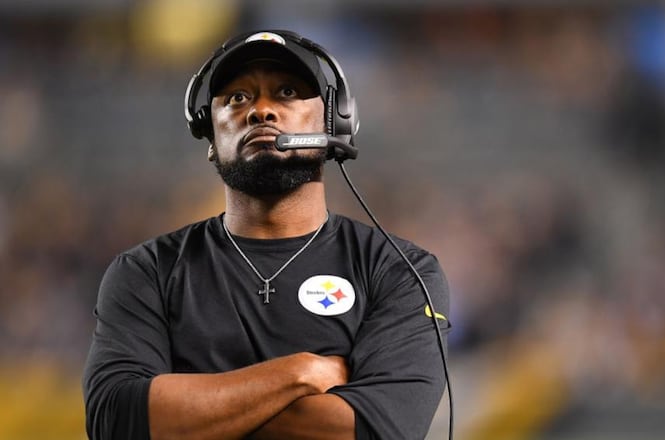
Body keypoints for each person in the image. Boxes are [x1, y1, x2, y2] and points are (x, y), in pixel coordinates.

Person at [82, 30, 451, 440]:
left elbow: (383, 430)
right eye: (237, 98)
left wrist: (193, 413)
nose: (260, 111)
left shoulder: (400, 271)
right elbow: (115, 420)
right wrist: (300, 373)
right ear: (209, 134)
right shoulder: (146, 271)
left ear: (336, 121)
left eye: (287, 92)